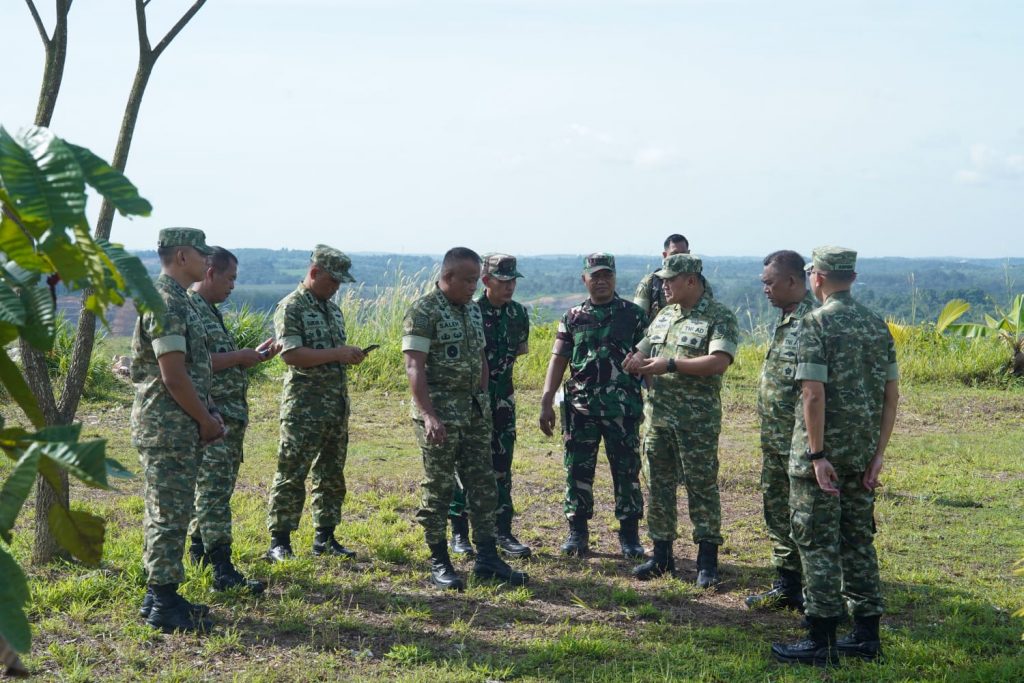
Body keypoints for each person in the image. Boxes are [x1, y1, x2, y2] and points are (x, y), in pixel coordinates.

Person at [771, 246, 899, 667]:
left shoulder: (815, 323)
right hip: (862, 454)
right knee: (858, 541)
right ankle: (866, 634)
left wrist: (817, 453)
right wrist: (877, 455)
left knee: (817, 543)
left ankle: (821, 640)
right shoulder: (877, 326)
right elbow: (890, 395)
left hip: (823, 459)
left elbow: (812, 391)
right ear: (853, 277)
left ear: (818, 277)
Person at [403, 247, 528, 591]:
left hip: (474, 413)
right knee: (440, 488)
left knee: (484, 486)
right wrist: (428, 415)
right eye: (470, 280)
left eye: (477, 279)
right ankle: (439, 560)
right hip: (440, 415)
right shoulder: (423, 311)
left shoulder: (472, 312)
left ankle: (487, 557)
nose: (475, 286)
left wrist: (484, 400)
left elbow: (481, 358)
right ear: (448, 277)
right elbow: (414, 365)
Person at [623, 253, 739, 587]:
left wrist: (670, 365)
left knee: (701, 486)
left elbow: (718, 361)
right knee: (658, 487)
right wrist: (636, 361)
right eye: (662, 280)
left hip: (696, 422)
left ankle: (707, 561)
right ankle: (661, 557)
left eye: (670, 280)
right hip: (658, 418)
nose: (664, 286)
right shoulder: (663, 315)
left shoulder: (718, 316)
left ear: (691, 280)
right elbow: (643, 350)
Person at [131, 227, 222, 633]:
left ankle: (159, 594)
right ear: (183, 256)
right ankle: (164, 601)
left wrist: (208, 412)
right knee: (169, 513)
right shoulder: (167, 302)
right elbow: (173, 375)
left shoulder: (177, 300)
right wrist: (204, 419)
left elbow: (193, 371)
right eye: (203, 254)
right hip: (169, 426)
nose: (209, 262)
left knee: (170, 510)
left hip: (176, 423)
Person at [539, 253, 646, 560]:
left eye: (606, 275)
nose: (601, 281)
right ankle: (577, 533)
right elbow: (558, 358)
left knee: (627, 471)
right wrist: (547, 399)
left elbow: (647, 360)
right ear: (584, 279)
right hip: (580, 407)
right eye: (595, 276)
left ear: (614, 277)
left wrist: (655, 399)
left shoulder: (633, 315)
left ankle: (629, 535)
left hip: (622, 408)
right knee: (577, 470)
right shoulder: (573, 316)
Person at [184, 247, 279, 594]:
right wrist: (240, 356)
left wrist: (251, 357)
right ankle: (222, 569)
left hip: (227, 417)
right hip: (212, 417)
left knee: (214, 491)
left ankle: (200, 555)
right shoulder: (192, 310)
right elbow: (194, 362)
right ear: (210, 273)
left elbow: (216, 360)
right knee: (213, 494)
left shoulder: (209, 311)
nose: (233, 286)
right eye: (230, 278)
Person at [265, 245, 366, 562]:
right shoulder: (291, 307)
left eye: (339, 283)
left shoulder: (333, 310)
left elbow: (329, 355)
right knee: (291, 474)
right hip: (304, 409)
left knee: (332, 475)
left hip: (335, 405)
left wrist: (349, 355)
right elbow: (291, 355)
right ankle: (279, 541)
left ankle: (325, 537)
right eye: (332, 281)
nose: (336, 288)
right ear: (314, 273)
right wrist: (338, 353)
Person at [447, 254, 532, 559]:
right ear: (486, 281)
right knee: (465, 465)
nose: (509, 287)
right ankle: (459, 532)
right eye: (503, 281)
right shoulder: (469, 312)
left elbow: (519, 351)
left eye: (512, 281)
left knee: (501, 466)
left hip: (503, 400)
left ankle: (502, 530)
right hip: (472, 401)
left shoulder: (519, 314)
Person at [745, 250, 817, 611]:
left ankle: (815, 591)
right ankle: (787, 584)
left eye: (770, 283)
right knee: (776, 512)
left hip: (801, 443)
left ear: (792, 281)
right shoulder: (786, 318)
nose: (765, 290)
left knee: (804, 518)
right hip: (775, 440)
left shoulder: (813, 322)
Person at [633, 234, 690, 323]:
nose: (679, 259)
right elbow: (636, 319)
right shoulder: (650, 282)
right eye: (674, 254)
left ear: (689, 254)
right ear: (665, 255)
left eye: (683, 254)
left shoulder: (698, 283)